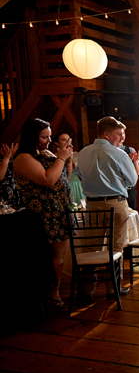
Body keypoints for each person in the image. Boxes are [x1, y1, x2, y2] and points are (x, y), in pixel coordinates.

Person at [77, 116, 139, 303]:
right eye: (119, 134)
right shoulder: (118, 154)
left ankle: (86, 291)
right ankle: (113, 288)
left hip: (92, 205)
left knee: (91, 248)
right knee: (116, 247)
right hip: (116, 203)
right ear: (106, 134)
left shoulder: (83, 153)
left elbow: (81, 175)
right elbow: (132, 180)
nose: (122, 138)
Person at [13, 119, 74, 309]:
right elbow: (47, 179)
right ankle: (50, 294)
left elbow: (62, 177)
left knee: (60, 255)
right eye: (44, 137)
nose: (49, 140)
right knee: (49, 256)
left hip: (60, 210)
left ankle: (54, 292)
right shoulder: (23, 157)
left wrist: (65, 159)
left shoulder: (46, 153)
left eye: (49, 136)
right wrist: (61, 158)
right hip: (43, 213)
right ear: (32, 136)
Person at [52, 131, 85, 207]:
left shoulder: (77, 154)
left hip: (79, 184)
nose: (67, 142)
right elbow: (66, 176)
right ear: (57, 143)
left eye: (68, 140)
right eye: (63, 140)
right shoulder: (54, 157)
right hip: (67, 184)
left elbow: (83, 172)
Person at [115, 127, 139, 210]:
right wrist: (127, 162)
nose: (122, 137)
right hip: (117, 191)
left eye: (123, 134)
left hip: (130, 191)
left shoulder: (130, 150)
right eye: (119, 134)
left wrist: (135, 161)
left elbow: (137, 173)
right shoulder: (111, 152)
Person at [0, 142, 23, 209]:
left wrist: (11, 158)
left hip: (13, 196)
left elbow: (14, 175)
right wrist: (6, 158)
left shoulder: (4, 157)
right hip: (3, 201)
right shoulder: (5, 158)